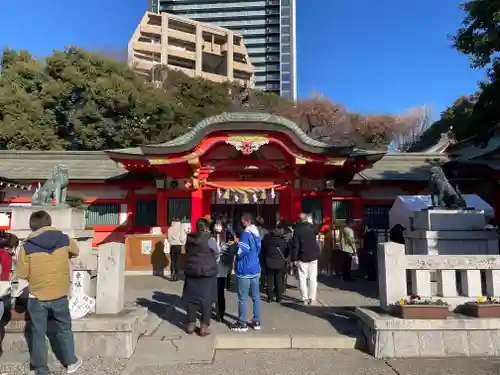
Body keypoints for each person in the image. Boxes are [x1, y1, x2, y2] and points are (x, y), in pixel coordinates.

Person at [15, 210, 82, 375]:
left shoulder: (27, 246)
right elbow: (76, 251)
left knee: (38, 332)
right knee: (65, 328)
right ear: (49, 222)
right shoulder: (64, 239)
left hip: (37, 296)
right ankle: (71, 362)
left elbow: (22, 273)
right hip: (60, 293)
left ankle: (40, 369)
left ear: (32, 226)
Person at [182, 218, 217, 336]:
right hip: (206, 272)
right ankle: (204, 326)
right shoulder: (210, 239)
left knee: (190, 298)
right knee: (206, 299)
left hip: (191, 271)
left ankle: (191, 324)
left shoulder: (189, 238)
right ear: (206, 227)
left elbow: (187, 251)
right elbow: (216, 253)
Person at [230, 213, 262, 332]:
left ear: (247, 221)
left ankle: (242, 323)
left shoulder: (245, 234)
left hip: (244, 269)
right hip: (255, 268)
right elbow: (258, 250)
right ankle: (257, 321)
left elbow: (241, 251)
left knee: (242, 298)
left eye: (243, 221)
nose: (242, 223)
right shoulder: (257, 233)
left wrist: (235, 249)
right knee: (256, 297)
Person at [291, 213, 321, 305]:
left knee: (302, 278)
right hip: (313, 255)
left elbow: (296, 245)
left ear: (299, 220)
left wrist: (294, 259)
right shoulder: (312, 227)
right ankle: (312, 298)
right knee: (313, 278)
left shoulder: (297, 230)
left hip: (302, 256)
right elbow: (317, 230)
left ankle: (305, 298)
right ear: (307, 219)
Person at [211, 219, 234, 322]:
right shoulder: (210, 237)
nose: (218, 226)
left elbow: (231, 250)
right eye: (216, 224)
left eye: (219, 224)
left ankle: (220, 313)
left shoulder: (226, 236)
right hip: (212, 268)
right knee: (213, 292)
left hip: (222, 268)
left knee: (220, 292)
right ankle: (216, 311)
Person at [261, 224, 288, 303]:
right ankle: (279, 297)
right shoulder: (283, 241)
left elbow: (263, 249)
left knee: (270, 280)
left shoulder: (267, 240)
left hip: (269, 262)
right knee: (279, 280)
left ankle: (270, 298)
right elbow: (286, 252)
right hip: (280, 263)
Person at [167, 217, 187, 282]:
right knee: (177, 261)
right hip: (178, 246)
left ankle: (172, 275)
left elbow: (168, 238)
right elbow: (182, 238)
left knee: (173, 261)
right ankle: (176, 276)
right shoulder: (181, 228)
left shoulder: (170, 228)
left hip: (172, 246)